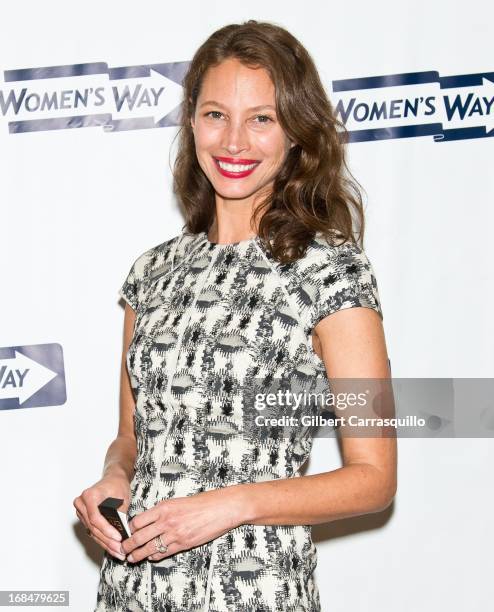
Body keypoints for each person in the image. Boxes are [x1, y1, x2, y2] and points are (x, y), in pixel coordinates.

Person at [74, 19, 397, 612]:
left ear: (297, 132)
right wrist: (114, 480)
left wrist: (231, 504)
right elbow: (131, 438)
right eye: (216, 114)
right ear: (192, 121)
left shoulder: (331, 272)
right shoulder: (153, 273)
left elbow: (373, 475)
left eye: (262, 119)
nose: (234, 142)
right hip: (134, 586)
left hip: (257, 586)